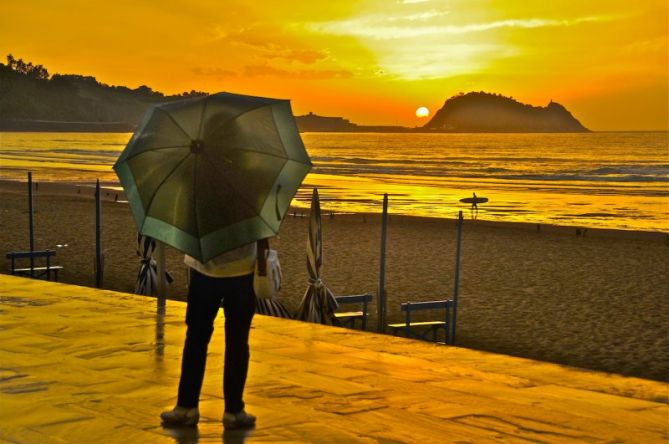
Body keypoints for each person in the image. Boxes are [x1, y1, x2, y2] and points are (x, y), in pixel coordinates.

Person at [160, 242, 258, 429]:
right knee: (237, 341)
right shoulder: (251, 210)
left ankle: (187, 406)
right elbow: (264, 227)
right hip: (242, 270)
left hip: (205, 269)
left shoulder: (202, 209)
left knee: (196, 338)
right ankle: (234, 410)